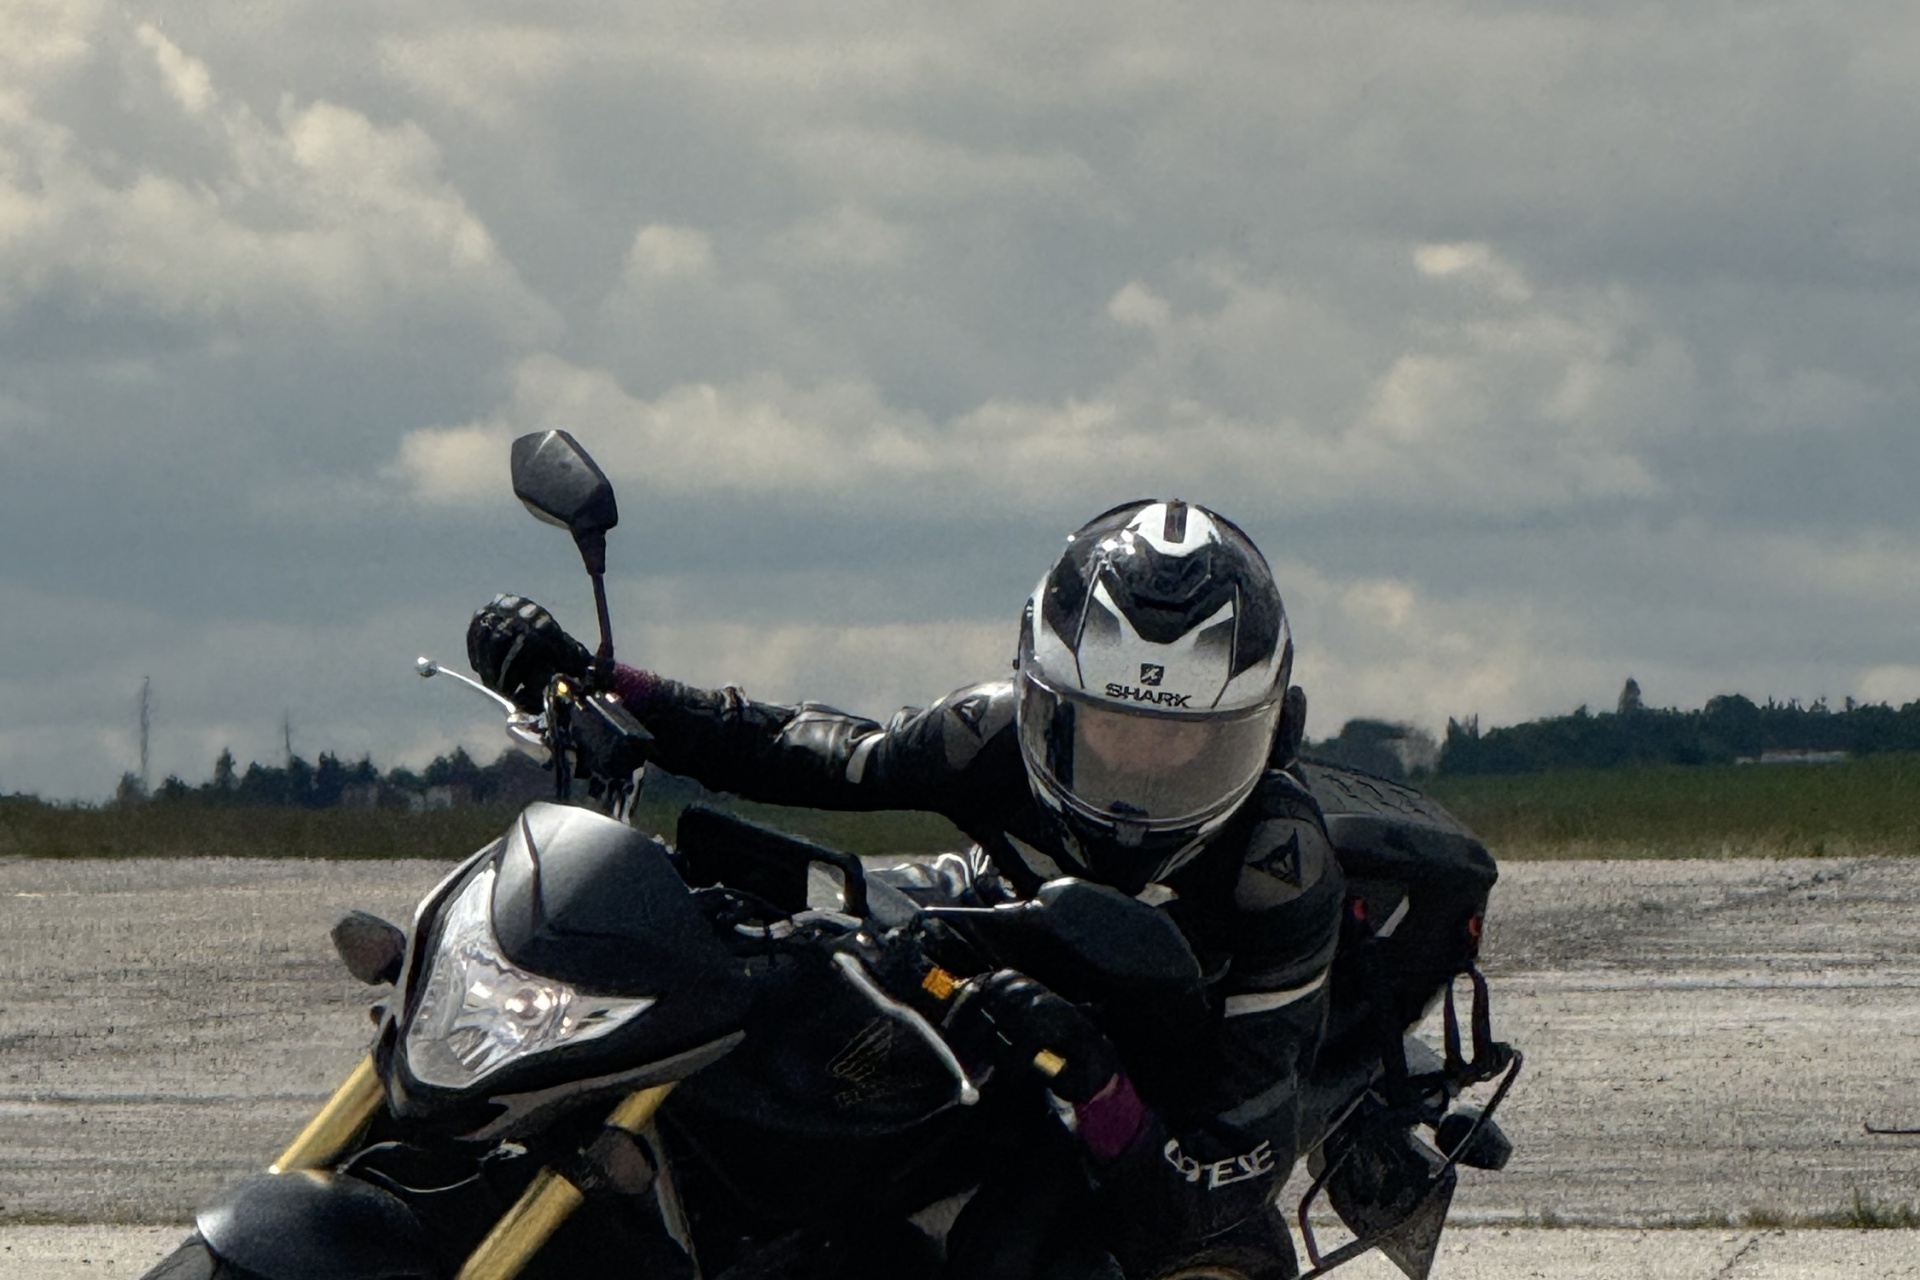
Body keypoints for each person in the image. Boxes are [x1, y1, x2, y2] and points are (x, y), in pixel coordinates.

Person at [469, 499, 1346, 1280]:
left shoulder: (1281, 868)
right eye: (1112, 733)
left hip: (1162, 1084)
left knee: (1028, 1252)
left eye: (1182, 744)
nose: (1142, 771)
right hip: (988, 953)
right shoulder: (991, 735)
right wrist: (602, 681)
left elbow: (1217, 1185)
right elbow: (800, 748)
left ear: (1267, 733)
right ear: (1043, 703)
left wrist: (1097, 1080)